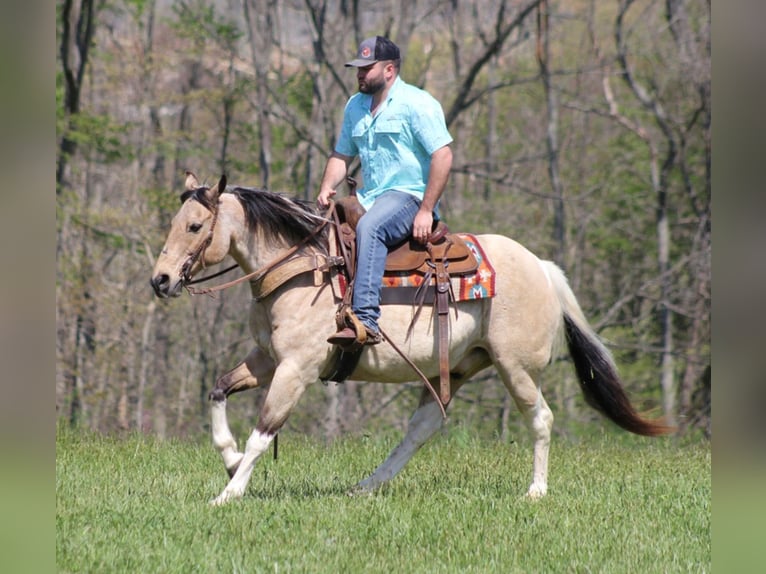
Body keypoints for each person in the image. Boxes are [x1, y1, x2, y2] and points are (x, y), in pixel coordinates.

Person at [317, 35, 453, 347]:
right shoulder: (356, 106)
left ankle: (365, 320)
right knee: (325, 230)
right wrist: (327, 186)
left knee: (371, 227)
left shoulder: (417, 104)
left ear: (389, 70)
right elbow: (342, 155)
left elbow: (443, 155)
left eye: (367, 68)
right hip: (370, 197)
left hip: (409, 197)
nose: (359, 74)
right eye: (357, 68)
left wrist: (424, 210)